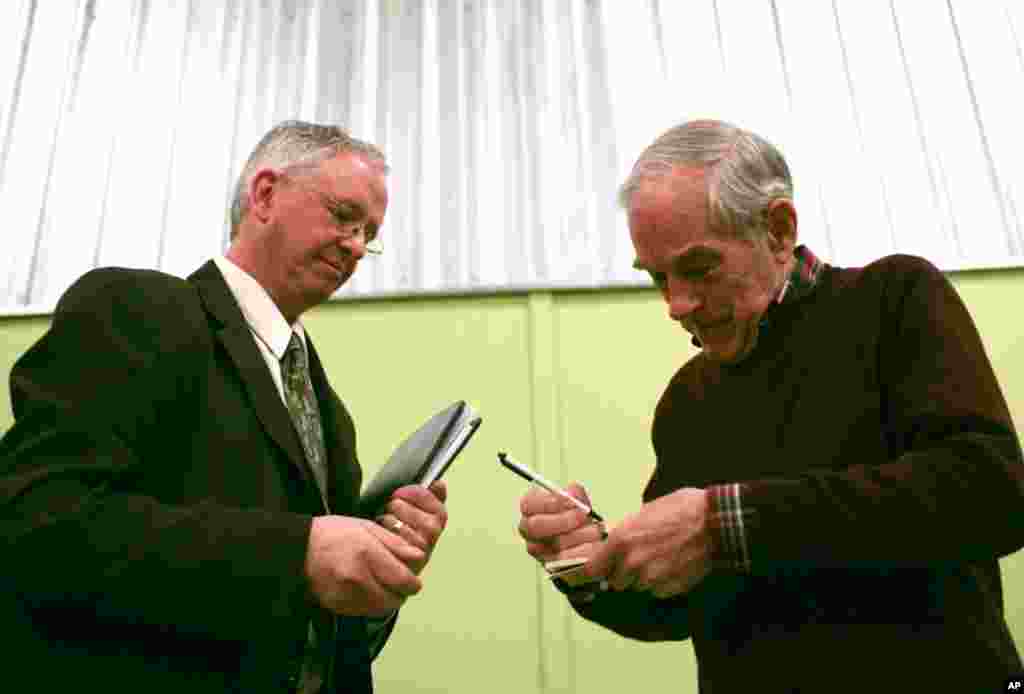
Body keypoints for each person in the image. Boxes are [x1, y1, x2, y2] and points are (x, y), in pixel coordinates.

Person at [518, 119, 1024, 692]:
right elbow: (680, 608)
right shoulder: (688, 401)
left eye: (699, 268)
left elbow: (992, 493)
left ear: (779, 230)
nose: (676, 304)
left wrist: (723, 525)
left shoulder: (894, 300)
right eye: (658, 278)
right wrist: (594, 567)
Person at [0, 121, 449, 693]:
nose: (358, 245)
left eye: (369, 233)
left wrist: (376, 572)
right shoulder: (138, 310)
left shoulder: (328, 409)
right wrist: (298, 553)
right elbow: (37, 526)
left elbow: (324, 637)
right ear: (265, 195)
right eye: (343, 215)